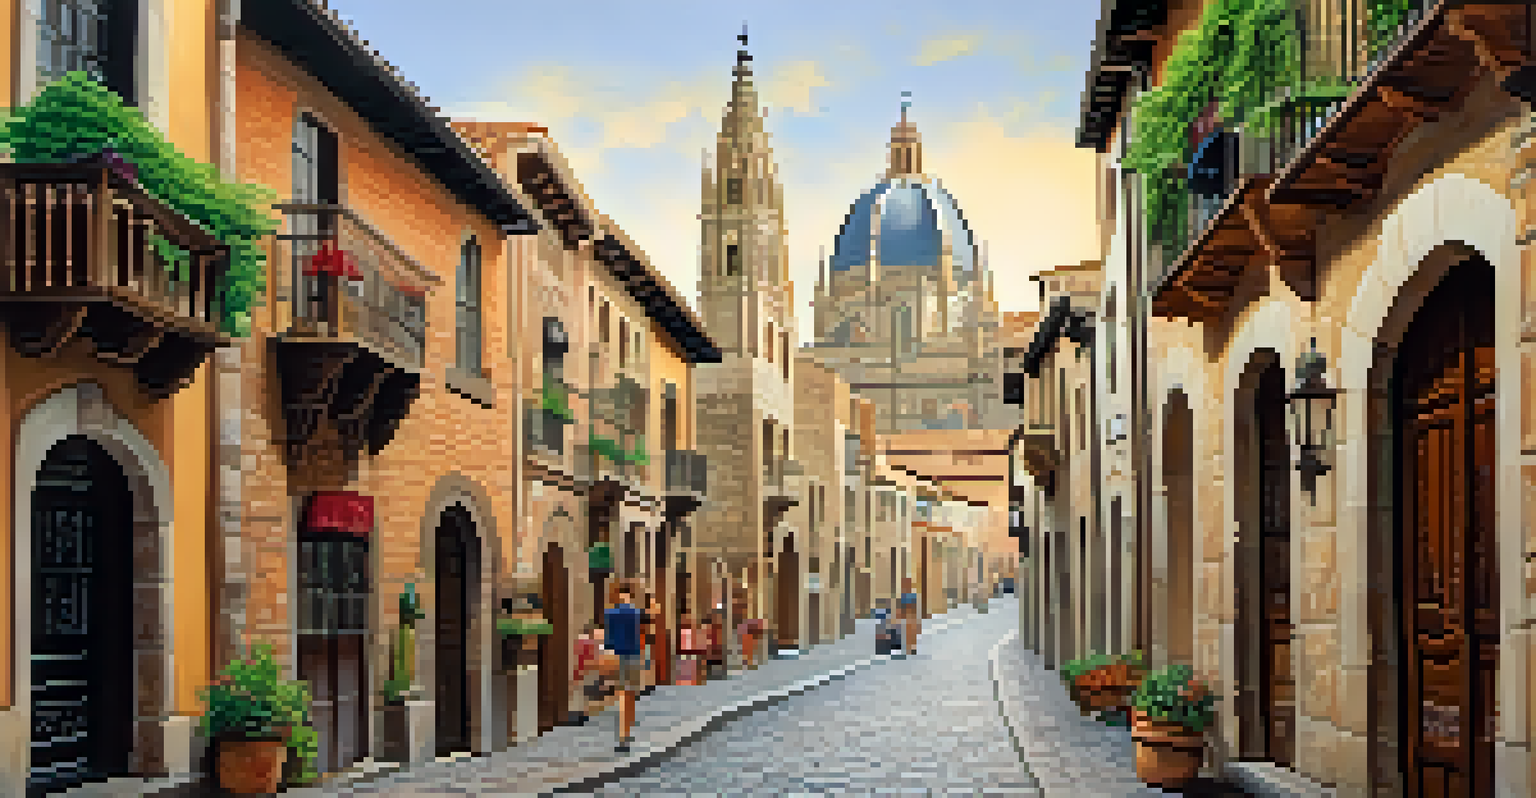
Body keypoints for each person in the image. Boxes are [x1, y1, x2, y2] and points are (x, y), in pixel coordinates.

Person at [604, 581, 645, 752]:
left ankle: (623, 736)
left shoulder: (611, 613)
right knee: (629, 694)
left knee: (623, 695)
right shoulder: (635, 612)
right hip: (633, 655)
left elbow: (609, 638)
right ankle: (626, 732)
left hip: (618, 655)